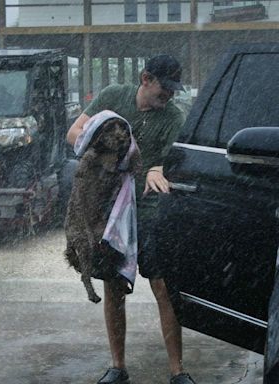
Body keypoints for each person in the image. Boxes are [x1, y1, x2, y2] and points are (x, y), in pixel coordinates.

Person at [66, 54, 196, 384]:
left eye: (173, 89)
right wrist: (110, 150)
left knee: (163, 287)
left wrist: (158, 167)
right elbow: (74, 134)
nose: (168, 94)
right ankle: (118, 367)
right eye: (163, 87)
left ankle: (178, 372)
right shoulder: (113, 97)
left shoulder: (173, 118)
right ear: (145, 79)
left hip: (151, 212)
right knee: (113, 287)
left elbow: (177, 161)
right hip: (110, 210)